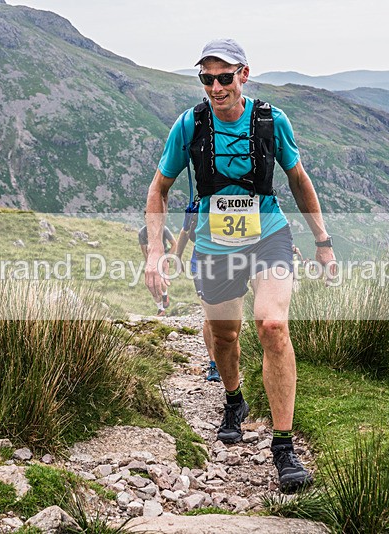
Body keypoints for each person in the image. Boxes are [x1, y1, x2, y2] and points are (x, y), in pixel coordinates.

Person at [144, 38, 336, 493]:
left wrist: (323, 242)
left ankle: (283, 448)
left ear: (243, 76)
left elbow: (298, 179)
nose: (215, 87)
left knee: (272, 325)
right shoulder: (189, 126)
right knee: (226, 335)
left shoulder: (271, 120)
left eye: (224, 77)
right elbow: (159, 189)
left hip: (269, 234)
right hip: (214, 245)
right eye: (206, 78)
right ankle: (234, 400)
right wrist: (156, 251)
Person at [174, 206, 221, 382]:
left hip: (230, 265)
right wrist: (177, 257)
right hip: (200, 266)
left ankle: (229, 358)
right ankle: (214, 363)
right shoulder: (196, 206)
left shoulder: (233, 195)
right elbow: (185, 231)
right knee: (211, 313)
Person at [138, 223, 177, 315]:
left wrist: (167, 259)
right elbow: (144, 250)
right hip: (152, 259)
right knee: (151, 285)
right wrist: (149, 263)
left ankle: (165, 295)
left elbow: (174, 244)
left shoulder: (164, 229)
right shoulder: (142, 233)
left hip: (163, 256)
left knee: (161, 281)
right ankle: (160, 309)